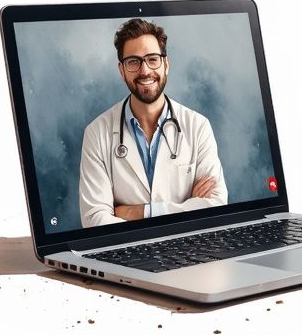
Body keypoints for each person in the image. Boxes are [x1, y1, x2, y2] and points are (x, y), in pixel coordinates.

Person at [78, 18, 227, 227]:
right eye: (133, 61)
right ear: (121, 71)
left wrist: (139, 212)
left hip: (189, 249)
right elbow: (95, 220)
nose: (145, 70)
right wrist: (187, 206)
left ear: (166, 64)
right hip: (126, 253)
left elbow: (215, 206)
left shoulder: (197, 126)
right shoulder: (97, 133)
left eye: (153, 59)